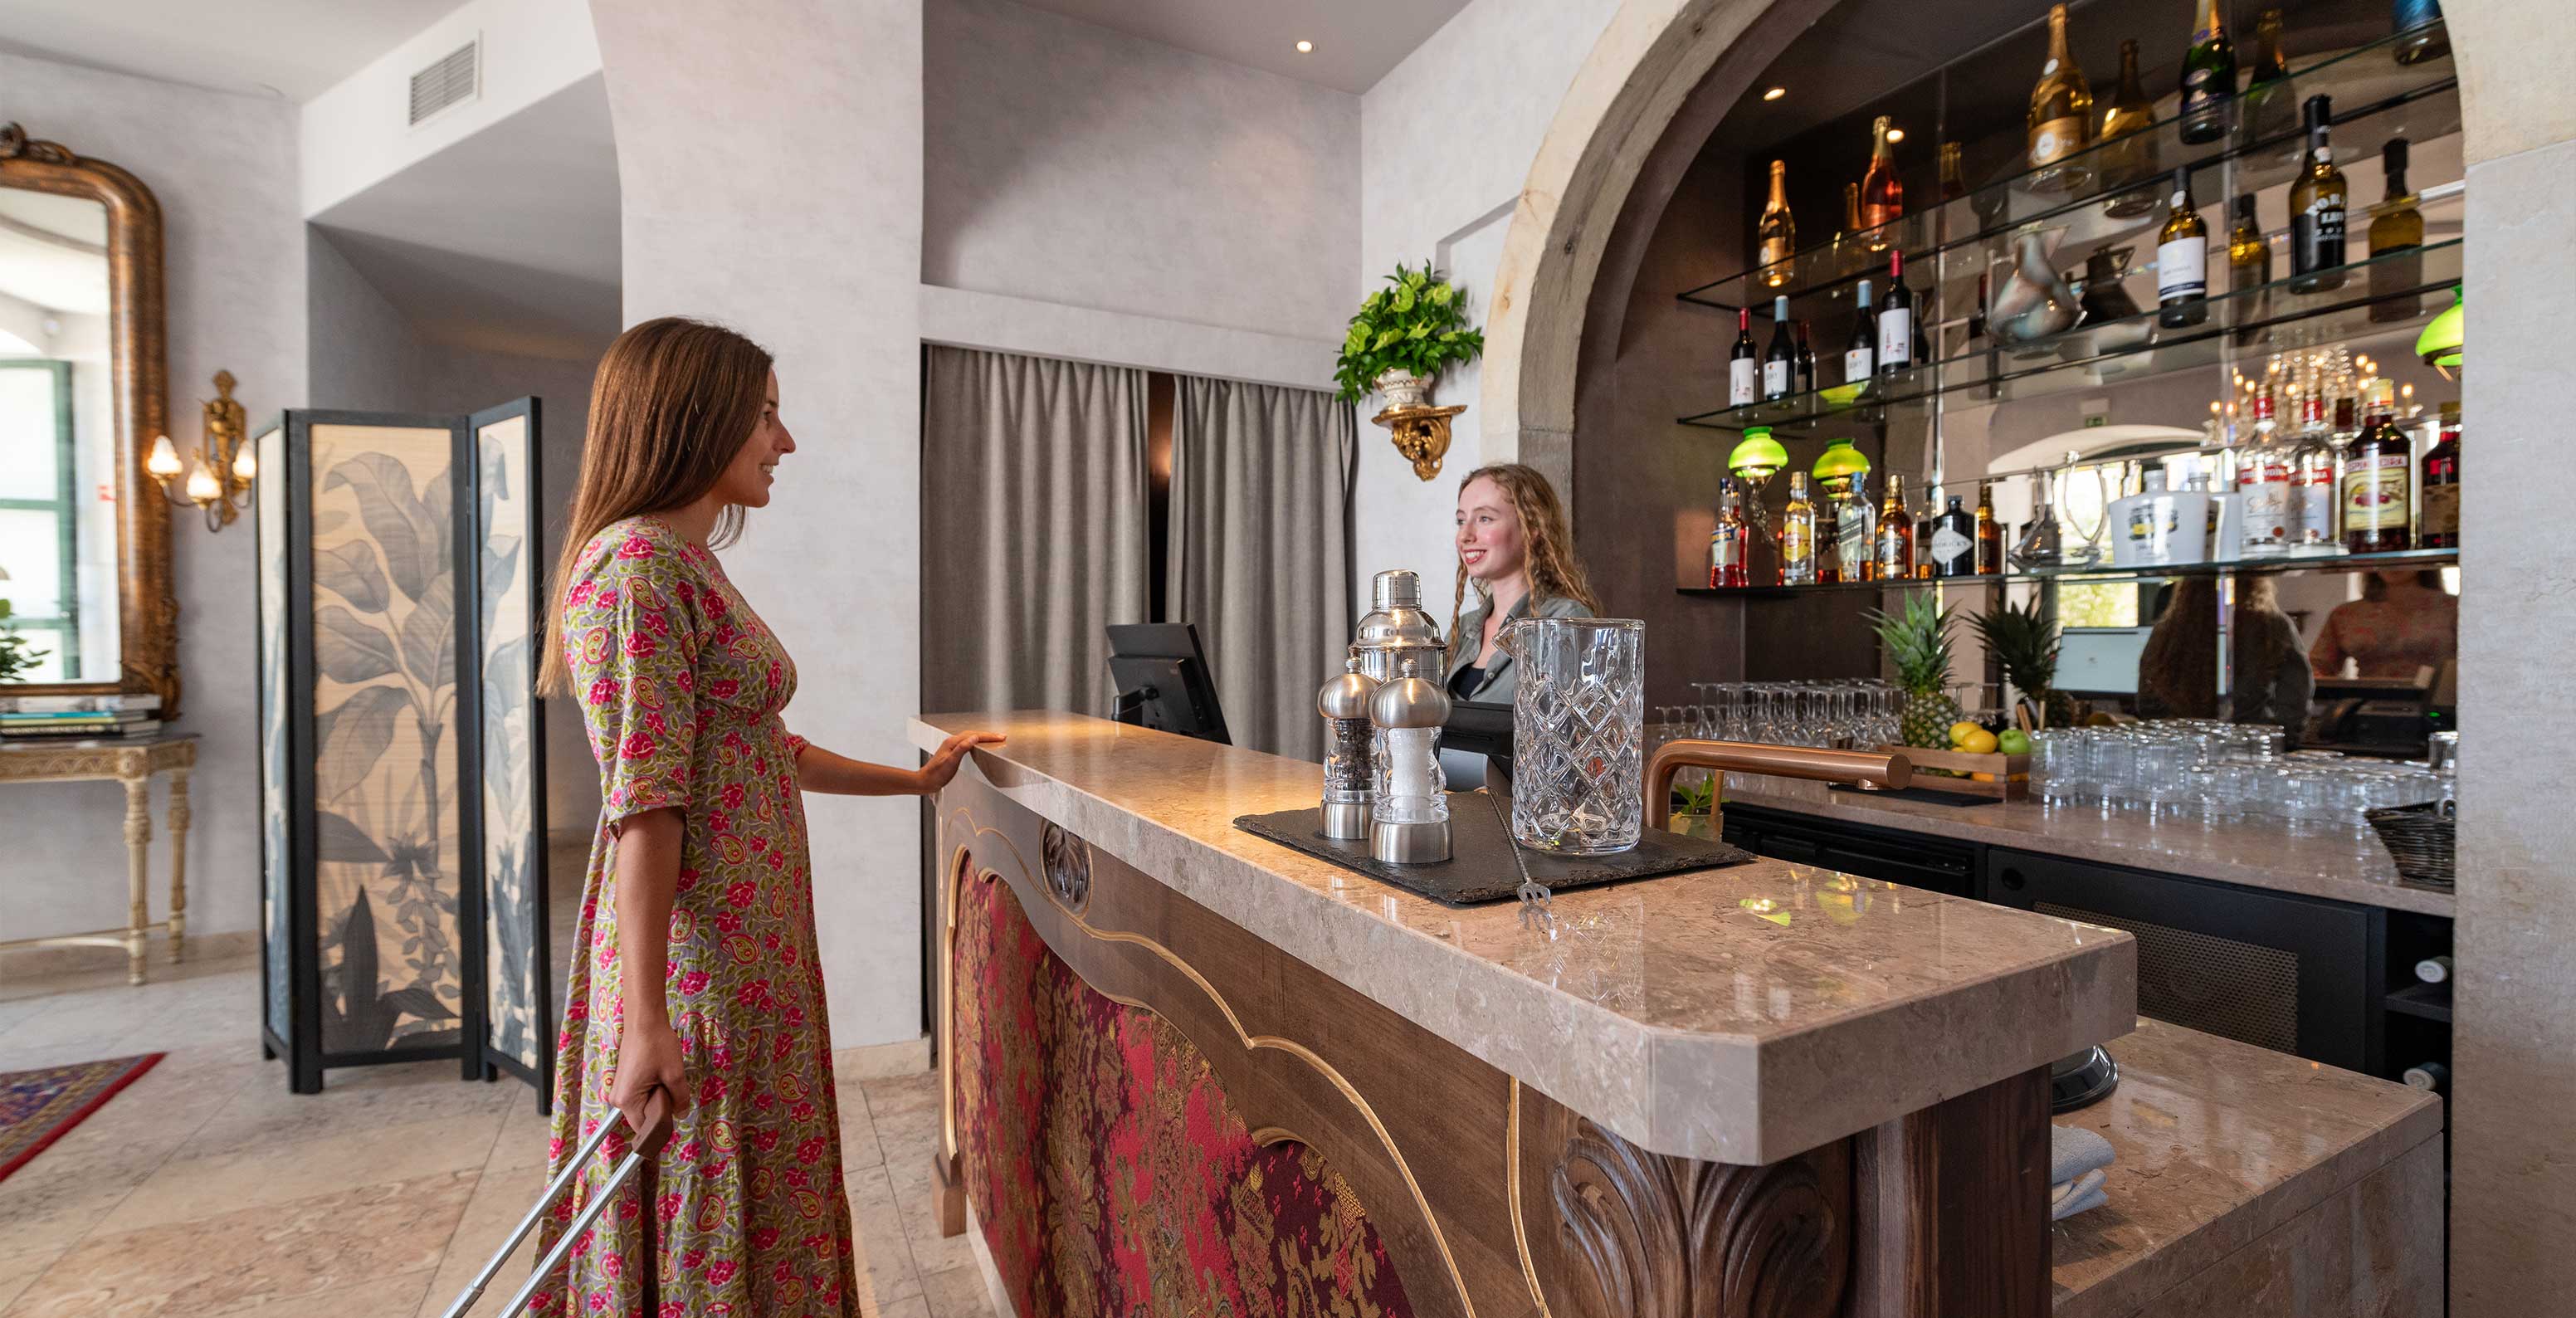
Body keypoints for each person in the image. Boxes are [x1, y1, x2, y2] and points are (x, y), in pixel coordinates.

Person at [534, 317, 1003, 1317]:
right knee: (709, 1200)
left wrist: (916, 784)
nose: (782, 442)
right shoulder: (638, 569)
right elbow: (647, 801)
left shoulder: (682, 561)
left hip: (750, 957)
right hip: (700, 964)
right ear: (693, 417)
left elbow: (759, 749)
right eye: (766, 415)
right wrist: (648, 1019)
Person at [1442, 462, 1602, 704]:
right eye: (1461, 521)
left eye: (1485, 518)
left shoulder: (1564, 621)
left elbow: (1570, 731)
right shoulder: (1464, 629)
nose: (1465, 536)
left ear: (1532, 527)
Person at [2310, 569, 2458, 681]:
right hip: (2365, 705)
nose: (2393, 565)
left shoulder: (2452, 608)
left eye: (2402, 554)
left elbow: (2475, 664)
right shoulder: (2347, 613)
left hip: (2435, 705)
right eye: (2384, 555)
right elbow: (2316, 665)